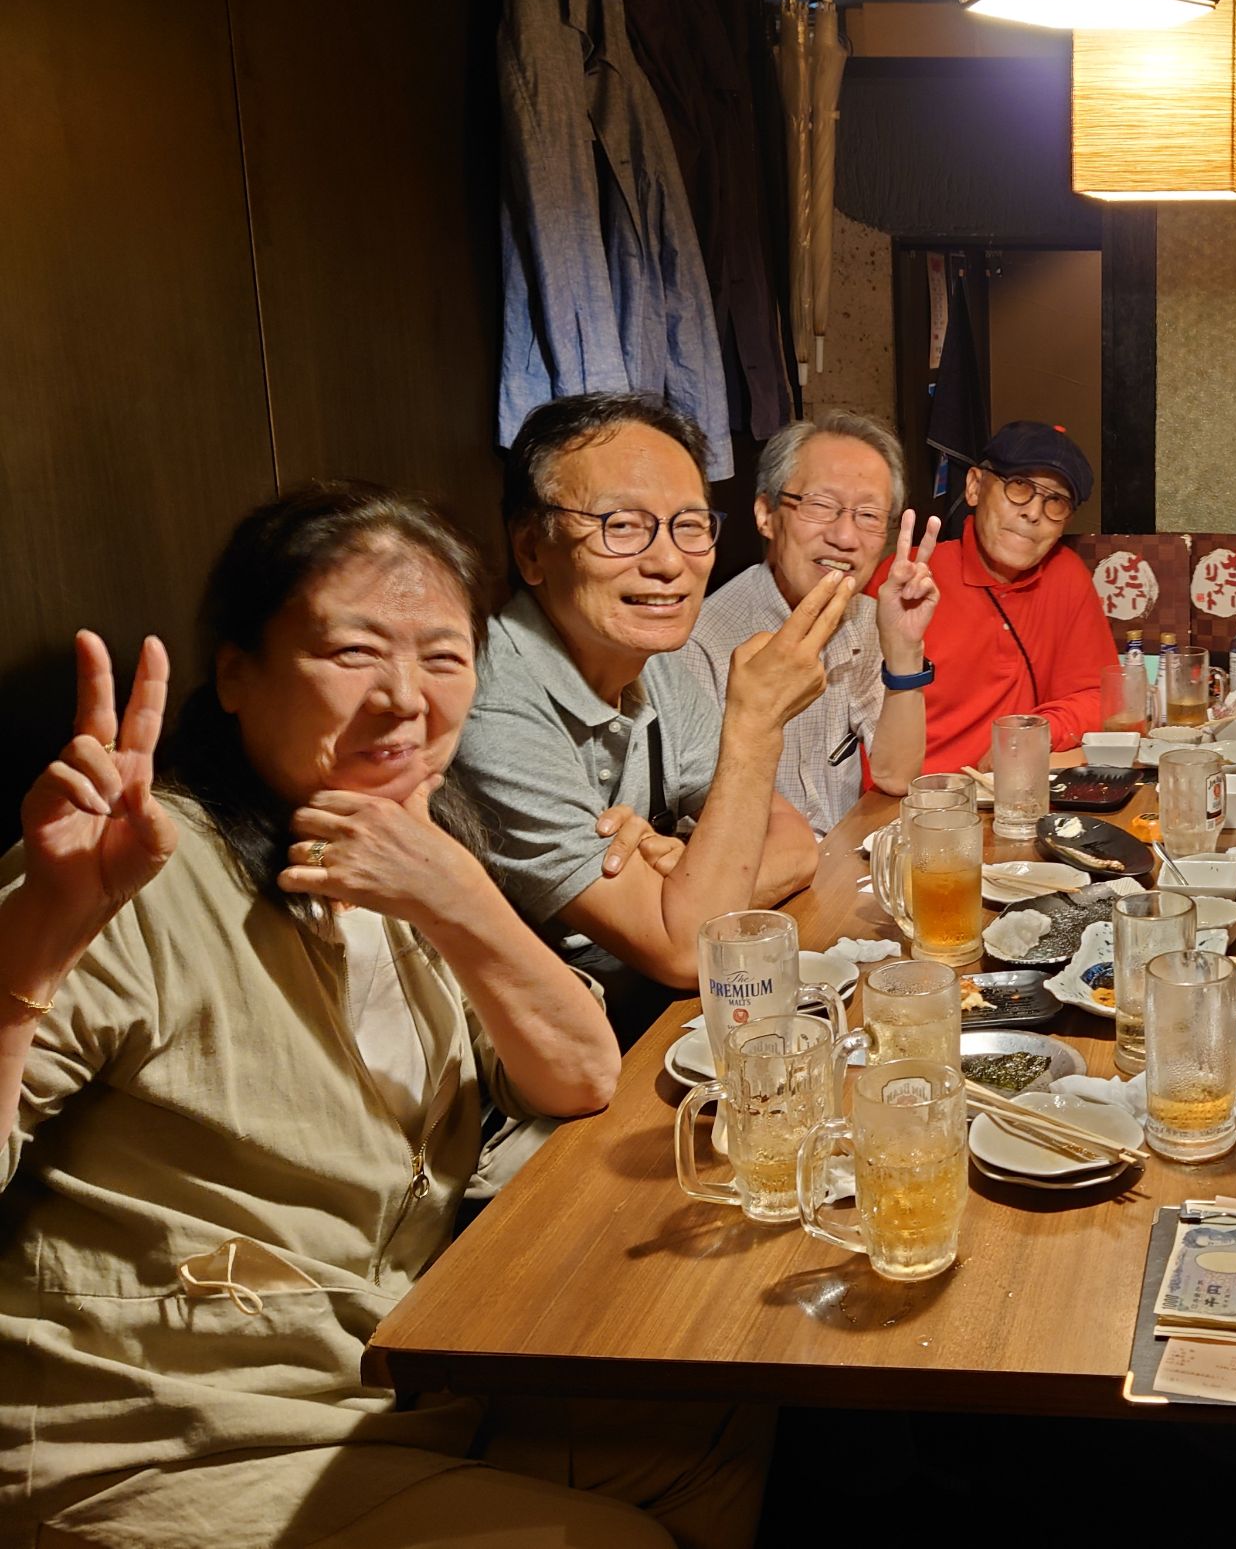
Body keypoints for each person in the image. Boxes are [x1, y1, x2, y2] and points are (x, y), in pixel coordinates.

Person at [1, 486, 768, 1548]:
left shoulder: (407, 850)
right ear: (236, 673)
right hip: (158, 1432)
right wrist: (35, 945)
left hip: (384, 1379)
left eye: (444, 657)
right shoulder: (133, 871)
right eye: (352, 652)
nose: (404, 699)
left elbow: (580, 1071)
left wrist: (457, 897)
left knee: (715, 1426)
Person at [451, 393, 850, 1041]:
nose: (668, 563)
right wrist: (755, 725)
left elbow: (796, 845)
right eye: (622, 525)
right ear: (531, 549)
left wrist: (689, 879)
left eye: (689, 525)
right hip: (543, 1061)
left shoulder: (645, 660)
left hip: (647, 1021)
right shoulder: (489, 701)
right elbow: (686, 950)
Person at [685, 410, 940, 833]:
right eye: (820, 506)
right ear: (765, 514)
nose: (845, 537)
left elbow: (896, 776)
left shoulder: (864, 617)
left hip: (841, 863)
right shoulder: (702, 643)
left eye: (869, 515)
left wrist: (904, 652)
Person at [917, 420, 1116, 771]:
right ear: (975, 487)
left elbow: (1100, 697)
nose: (1034, 513)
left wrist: (1038, 731)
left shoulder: (1065, 575)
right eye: (1019, 486)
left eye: (1056, 501)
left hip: (1012, 791)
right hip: (918, 792)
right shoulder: (910, 576)